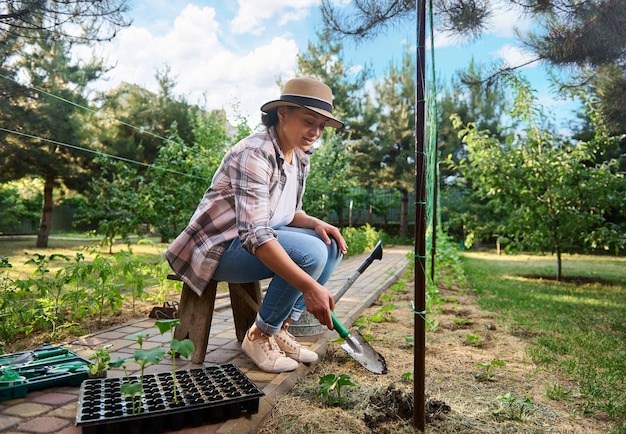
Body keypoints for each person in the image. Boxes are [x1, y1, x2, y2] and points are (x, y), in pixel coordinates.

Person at [165, 77, 348, 373]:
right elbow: (255, 234)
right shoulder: (254, 153)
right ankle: (259, 334)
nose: (315, 132)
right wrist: (309, 286)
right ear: (283, 113)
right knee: (312, 253)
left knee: (330, 245)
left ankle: (279, 329)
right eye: (308, 121)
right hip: (219, 250)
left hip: (253, 241)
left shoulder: (300, 157)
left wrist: (315, 222)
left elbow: (288, 213)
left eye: (321, 126)